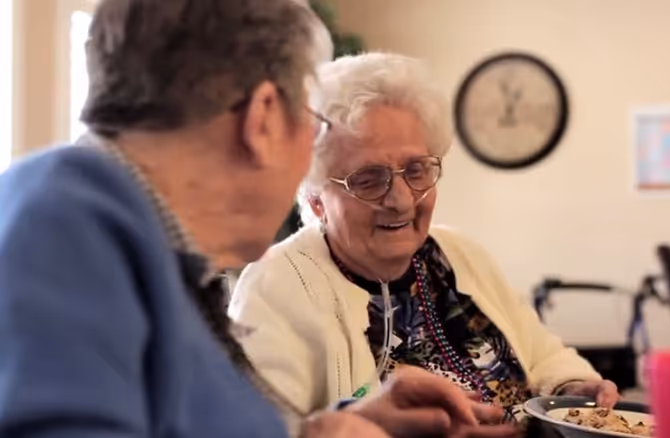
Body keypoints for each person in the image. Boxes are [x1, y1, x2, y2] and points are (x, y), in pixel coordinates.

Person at [0, 2, 514, 437]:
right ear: (264, 118)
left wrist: (329, 428)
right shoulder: (63, 229)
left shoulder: (144, 250)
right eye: (311, 126)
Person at [228, 53, 619, 429]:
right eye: (368, 179)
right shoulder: (276, 285)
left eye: (415, 170)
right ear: (316, 200)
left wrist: (570, 390)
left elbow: (543, 354)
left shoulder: (461, 255)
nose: (400, 200)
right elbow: (251, 429)